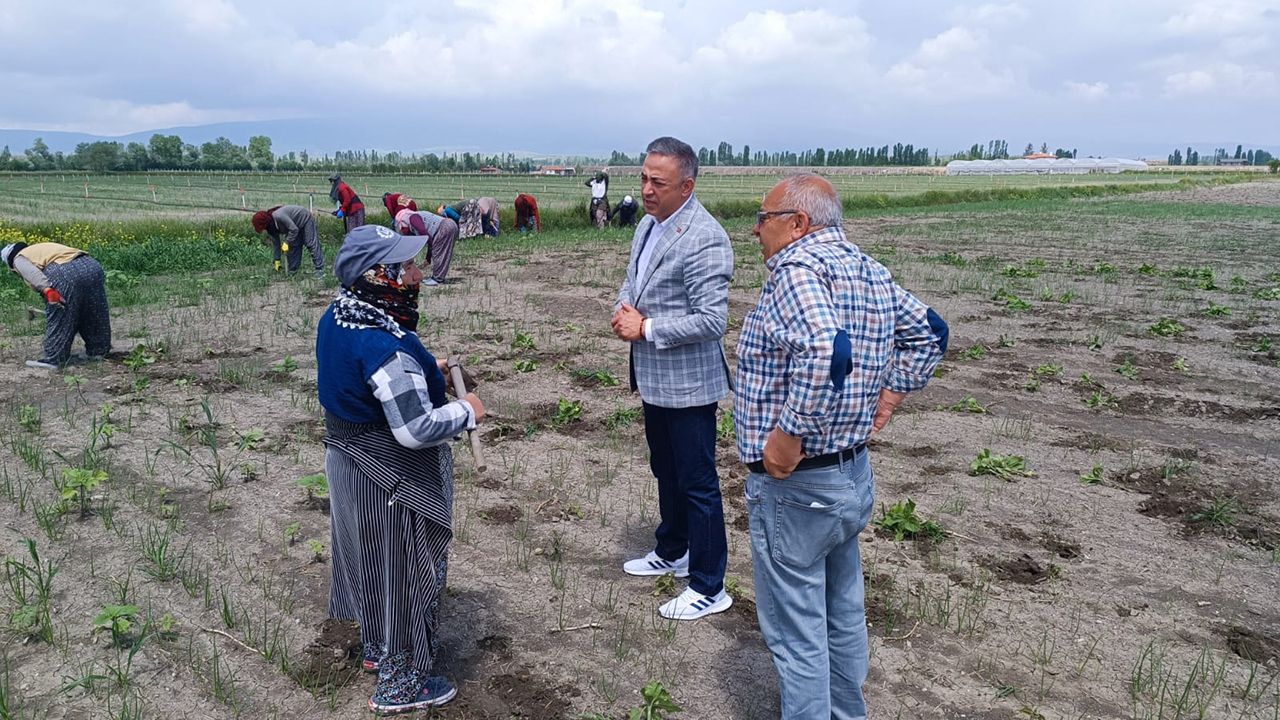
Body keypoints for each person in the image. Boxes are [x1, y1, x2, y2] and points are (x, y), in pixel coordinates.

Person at [735, 173, 948, 719]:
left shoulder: (798, 271)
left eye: (764, 219)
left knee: (798, 634)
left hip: (799, 484)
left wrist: (788, 435)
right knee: (843, 613)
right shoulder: (866, 269)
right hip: (851, 476)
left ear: (798, 223)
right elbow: (933, 331)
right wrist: (894, 392)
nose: (756, 231)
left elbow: (827, 349)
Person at [316, 224, 484, 714]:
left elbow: (364, 373)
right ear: (377, 275)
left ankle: (377, 651)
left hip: (349, 464)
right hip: (390, 479)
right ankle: (402, 686)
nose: (416, 274)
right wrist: (469, 410)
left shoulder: (341, 316)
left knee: (367, 562)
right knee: (403, 573)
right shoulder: (384, 348)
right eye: (406, 266)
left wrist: (430, 363)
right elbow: (415, 428)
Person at [612, 137, 734, 620]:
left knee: (699, 482)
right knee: (665, 469)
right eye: (643, 177)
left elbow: (711, 320)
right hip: (654, 377)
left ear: (687, 186)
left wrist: (646, 328)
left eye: (656, 182)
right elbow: (632, 283)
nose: (645, 189)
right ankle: (674, 548)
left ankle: (709, 584)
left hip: (689, 385)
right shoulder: (647, 225)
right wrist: (622, 310)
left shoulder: (704, 237)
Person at [2, 241, 112, 370]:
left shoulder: (18, 258)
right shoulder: (41, 248)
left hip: (64, 273)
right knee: (93, 310)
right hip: (91, 266)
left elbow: (32, 273)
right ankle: (98, 351)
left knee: (60, 315)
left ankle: (53, 359)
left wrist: (48, 290)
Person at [252, 205, 325, 277]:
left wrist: (286, 242)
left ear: (264, 223)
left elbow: (294, 229)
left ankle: (320, 268)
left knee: (310, 242)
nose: (264, 229)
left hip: (304, 218)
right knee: (293, 245)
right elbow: (276, 244)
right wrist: (277, 260)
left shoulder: (279, 216)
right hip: (294, 226)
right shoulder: (270, 228)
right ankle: (293, 270)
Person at [393, 207, 459, 286]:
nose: (403, 230)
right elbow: (428, 239)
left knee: (439, 254)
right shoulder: (412, 218)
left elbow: (426, 236)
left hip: (445, 227)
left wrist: (432, 248)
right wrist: (428, 258)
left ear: (402, 221)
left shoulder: (413, 218)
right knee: (442, 254)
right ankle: (437, 277)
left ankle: (437, 279)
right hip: (449, 225)